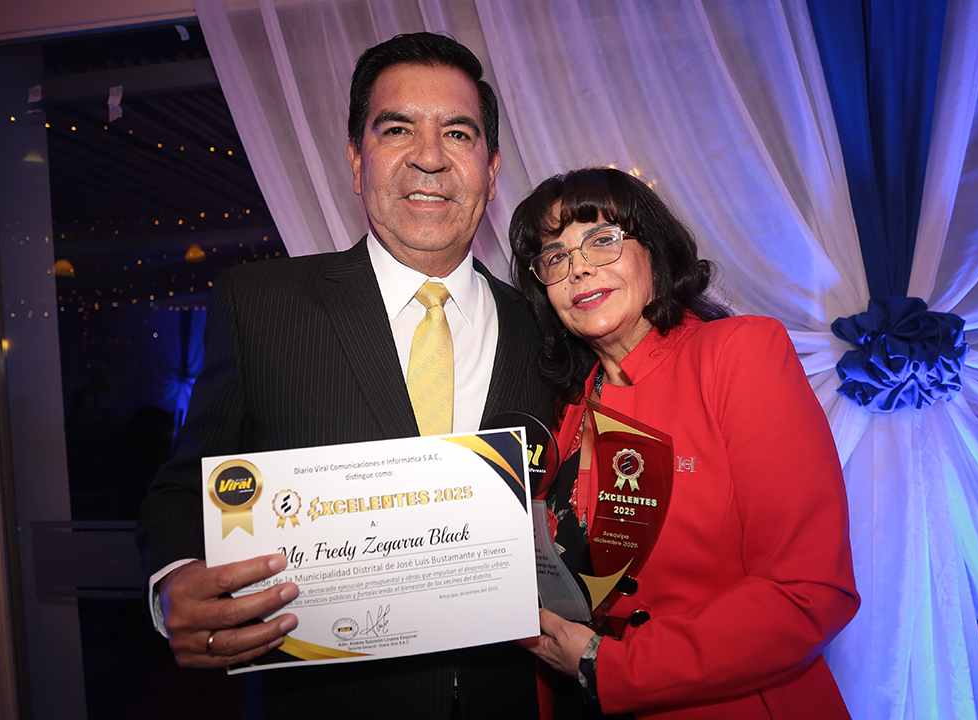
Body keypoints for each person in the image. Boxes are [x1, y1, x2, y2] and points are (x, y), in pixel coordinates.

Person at [135, 32, 552, 719]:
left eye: (457, 132)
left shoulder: (548, 328)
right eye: (397, 129)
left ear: (492, 167)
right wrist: (174, 582)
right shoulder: (261, 307)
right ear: (357, 161)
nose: (429, 156)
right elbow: (183, 488)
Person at [508, 168, 860, 719]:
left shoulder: (739, 355)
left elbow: (807, 592)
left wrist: (609, 666)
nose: (579, 267)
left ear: (653, 250)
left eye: (602, 239)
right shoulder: (564, 411)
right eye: (555, 256)